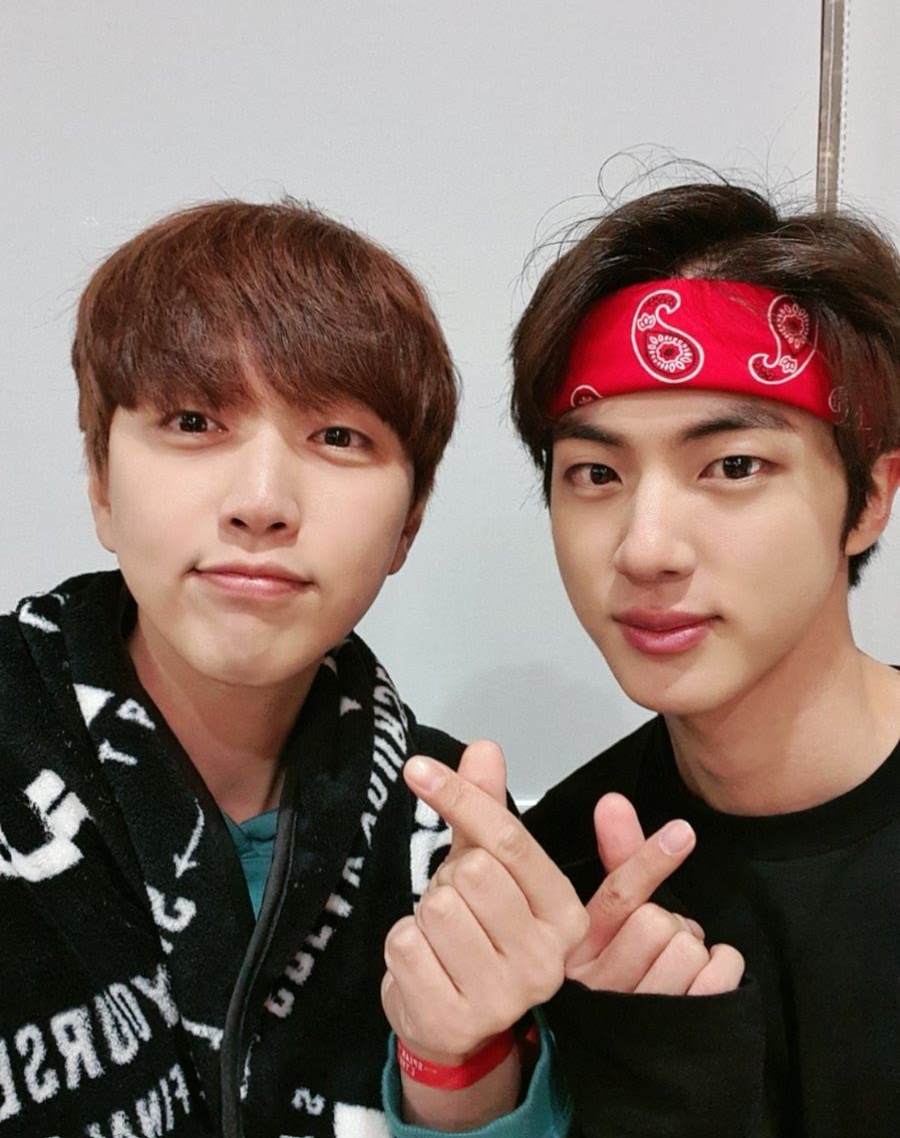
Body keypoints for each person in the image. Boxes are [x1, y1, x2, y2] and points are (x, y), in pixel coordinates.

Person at [0, 199, 575, 1138]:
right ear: (101, 483)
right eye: (194, 420)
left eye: (338, 437)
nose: (262, 503)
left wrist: (454, 1055)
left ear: (409, 523)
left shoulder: (454, 837)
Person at [506, 182, 900, 1137]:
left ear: (868, 500)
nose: (646, 549)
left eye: (732, 466)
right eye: (595, 473)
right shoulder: (563, 884)